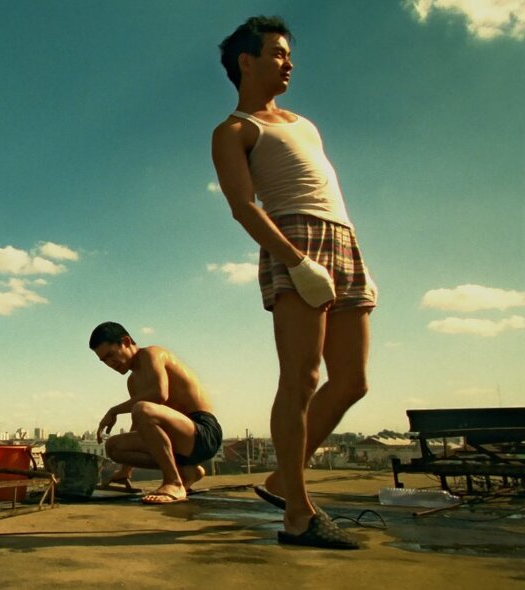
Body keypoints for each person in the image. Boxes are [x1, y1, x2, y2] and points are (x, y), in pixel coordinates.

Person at [211, 16, 377, 549]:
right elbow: (244, 207)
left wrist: (347, 255)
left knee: (352, 380)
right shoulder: (234, 130)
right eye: (278, 53)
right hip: (295, 241)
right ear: (246, 61)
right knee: (302, 380)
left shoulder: (305, 123)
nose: (290, 62)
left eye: (288, 54)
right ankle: (298, 516)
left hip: (343, 239)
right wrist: (299, 263)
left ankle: (284, 478)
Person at [89, 321, 223, 504]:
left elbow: (159, 394)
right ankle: (187, 471)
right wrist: (125, 471)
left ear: (126, 342)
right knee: (113, 446)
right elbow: (141, 425)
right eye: (104, 360)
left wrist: (114, 411)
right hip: (178, 439)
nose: (110, 364)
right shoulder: (133, 381)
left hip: (202, 432)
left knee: (142, 408)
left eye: (111, 355)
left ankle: (173, 483)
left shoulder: (152, 354)